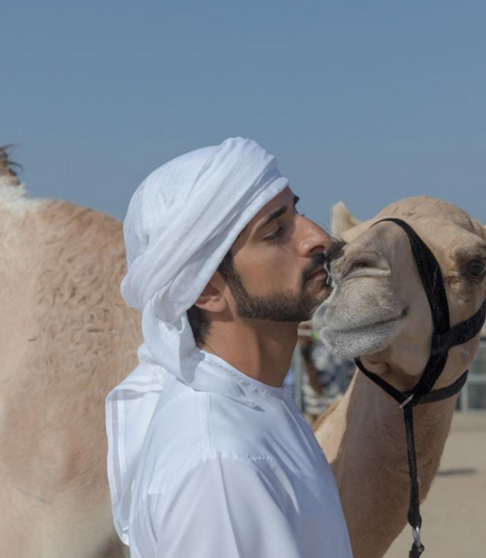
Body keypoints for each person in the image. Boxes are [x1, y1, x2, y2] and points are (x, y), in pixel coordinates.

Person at [105, 137, 352, 557]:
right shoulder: (220, 464)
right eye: (276, 231)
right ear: (206, 291)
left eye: (299, 211)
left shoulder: (257, 405)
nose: (319, 238)